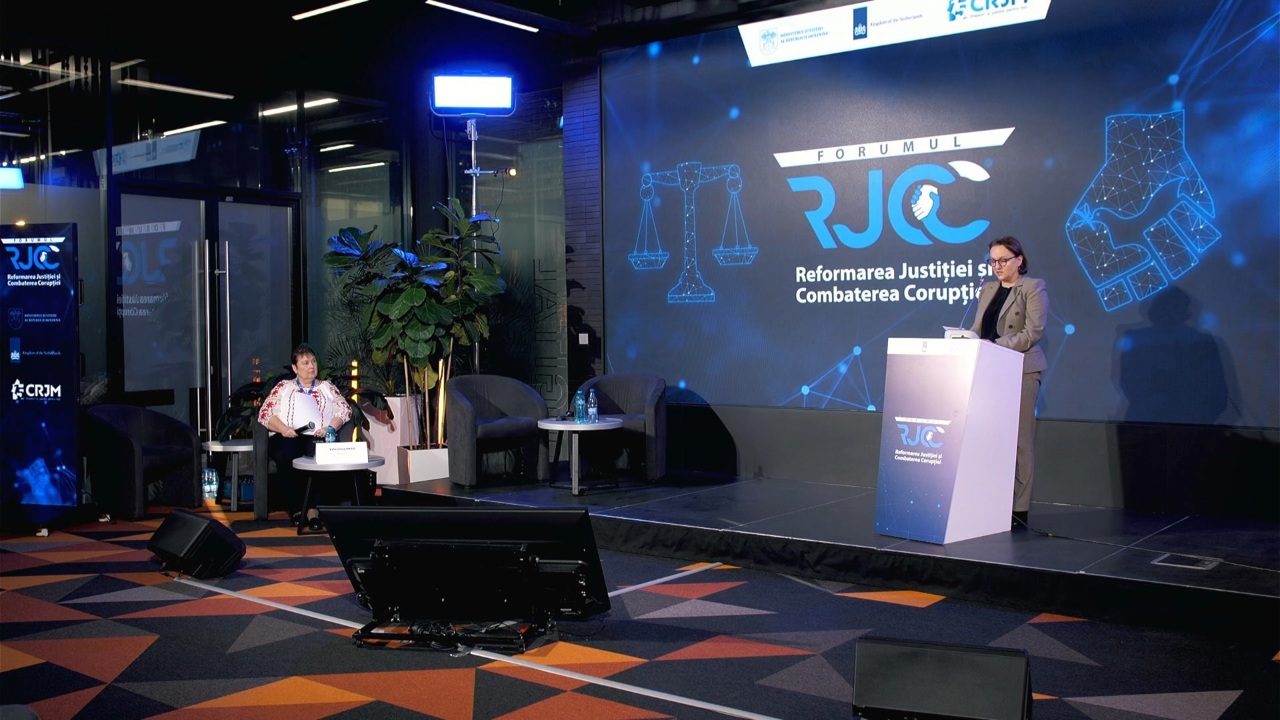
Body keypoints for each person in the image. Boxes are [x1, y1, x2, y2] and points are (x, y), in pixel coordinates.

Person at [968, 236, 1048, 530]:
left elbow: (1032, 333)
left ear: (1019, 260)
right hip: (988, 370)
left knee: (1020, 442)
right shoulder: (988, 289)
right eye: (993, 261)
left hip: (1021, 370)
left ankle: (1019, 510)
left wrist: (995, 346)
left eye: (1003, 260)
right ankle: (991, 502)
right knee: (988, 439)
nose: (997, 266)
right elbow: (979, 329)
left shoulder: (1033, 287)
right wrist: (965, 340)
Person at [257, 344, 351, 531]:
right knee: (287, 452)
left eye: (313, 361)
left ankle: (313, 511)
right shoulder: (283, 387)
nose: (311, 366)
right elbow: (265, 414)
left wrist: (330, 428)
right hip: (288, 435)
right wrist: (283, 429)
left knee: (318, 454)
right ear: (295, 368)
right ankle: (297, 508)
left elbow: (344, 410)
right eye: (305, 363)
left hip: (317, 436)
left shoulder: (327, 387)